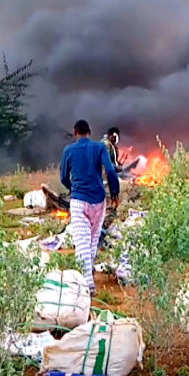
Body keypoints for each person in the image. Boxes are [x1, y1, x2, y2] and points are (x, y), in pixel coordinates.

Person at [60, 120, 120, 295]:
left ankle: (88, 285)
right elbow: (110, 170)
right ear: (89, 132)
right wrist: (114, 192)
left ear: (75, 132)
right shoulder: (99, 147)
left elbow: (64, 177)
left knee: (81, 243)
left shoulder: (68, 150)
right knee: (93, 240)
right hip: (99, 201)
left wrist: (74, 188)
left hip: (79, 201)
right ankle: (89, 274)